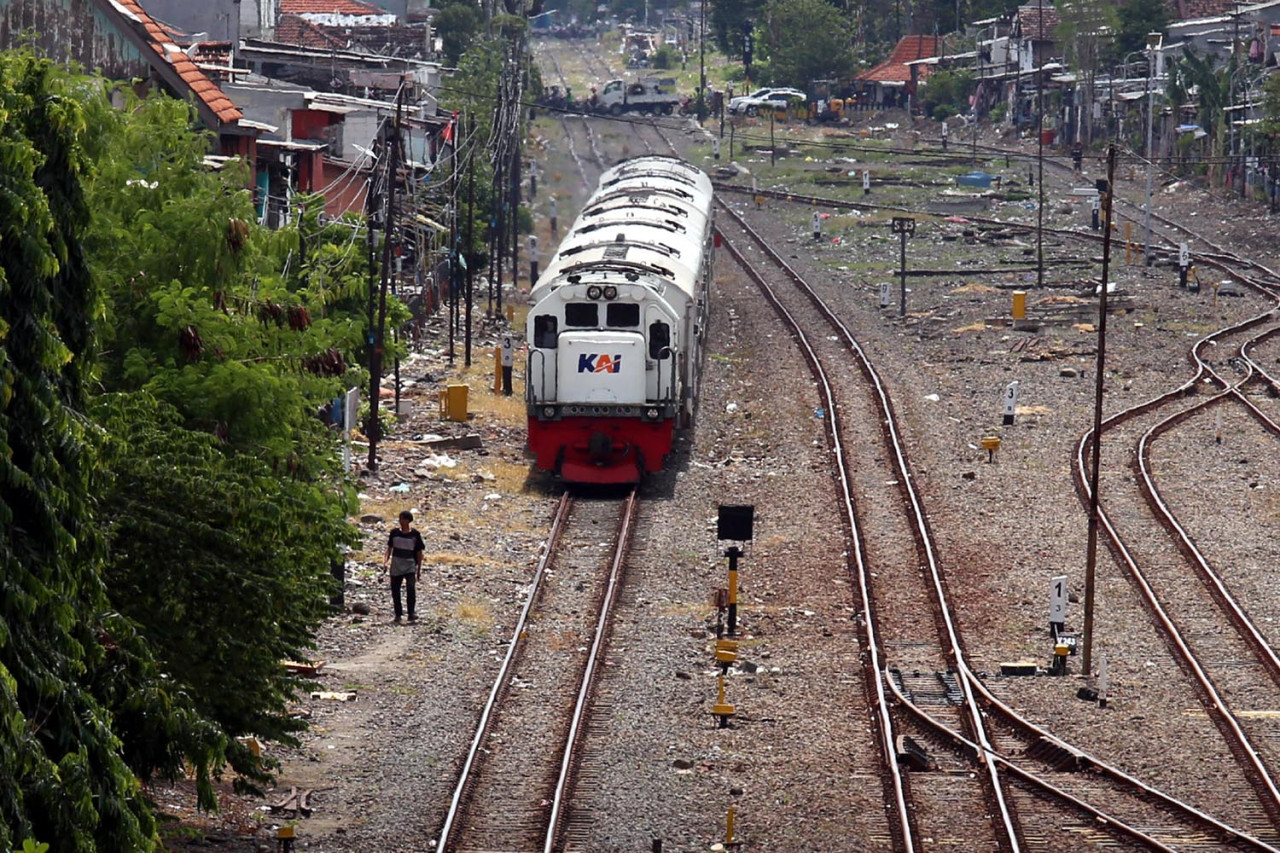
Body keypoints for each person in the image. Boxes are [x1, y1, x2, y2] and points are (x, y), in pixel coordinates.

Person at [382, 510, 425, 624]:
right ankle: (398, 614)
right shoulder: (394, 533)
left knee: (411, 588)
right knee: (395, 590)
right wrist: (385, 562)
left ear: (408, 520)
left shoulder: (415, 535)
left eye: (403, 519)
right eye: (400, 519)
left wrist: (419, 570)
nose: (401, 521)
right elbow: (389, 549)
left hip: (410, 564)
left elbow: (419, 553)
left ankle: (411, 613)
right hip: (396, 564)